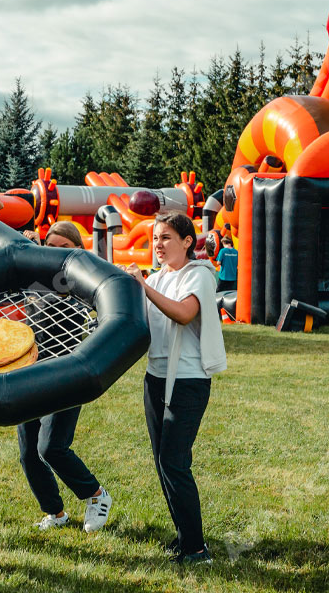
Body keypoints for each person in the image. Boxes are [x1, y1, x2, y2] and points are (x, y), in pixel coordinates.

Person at [123, 211, 226, 565]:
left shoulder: (199, 276)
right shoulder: (160, 277)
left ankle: (197, 550)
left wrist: (144, 285)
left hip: (188, 381)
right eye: (155, 238)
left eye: (166, 237)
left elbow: (184, 314)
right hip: (156, 378)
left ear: (187, 242)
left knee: (174, 462)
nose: (158, 244)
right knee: (162, 463)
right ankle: (185, 539)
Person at [18, 221, 113, 532]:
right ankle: (55, 513)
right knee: (29, 453)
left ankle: (96, 494)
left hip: (66, 374)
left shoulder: (80, 280)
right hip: (29, 371)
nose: (57, 254)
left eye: (65, 248)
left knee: (52, 447)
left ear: (77, 250)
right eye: (52, 247)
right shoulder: (36, 276)